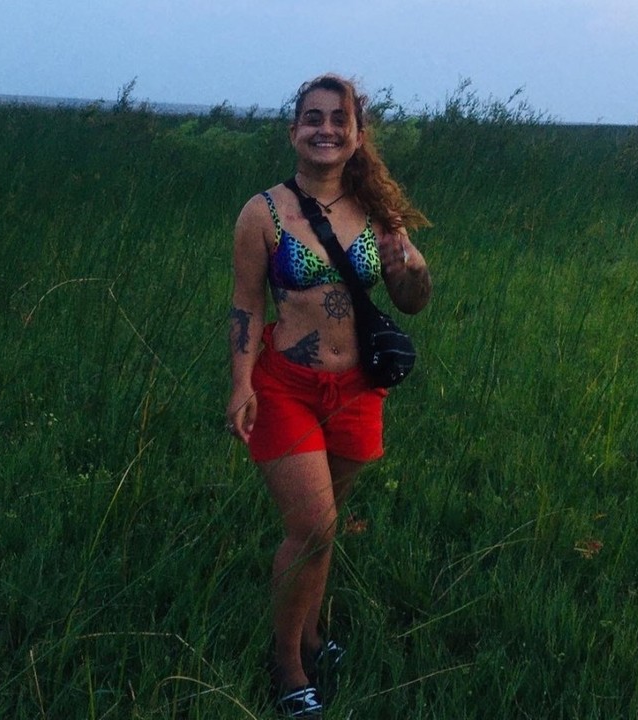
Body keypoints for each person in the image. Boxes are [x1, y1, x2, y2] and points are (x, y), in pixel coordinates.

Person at [225, 73, 432, 717]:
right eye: (313, 118)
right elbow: (246, 305)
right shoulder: (262, 212)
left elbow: (412, 301)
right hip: (286, 385)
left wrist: (412, 269)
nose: (326, 129)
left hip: (358, 389)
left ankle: (312, 635)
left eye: (339, 119)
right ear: (294, 132)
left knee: (326, 525)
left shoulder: (376, 211)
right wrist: (240, 384)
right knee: (313, 526)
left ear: (357, 136)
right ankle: (287, 665)